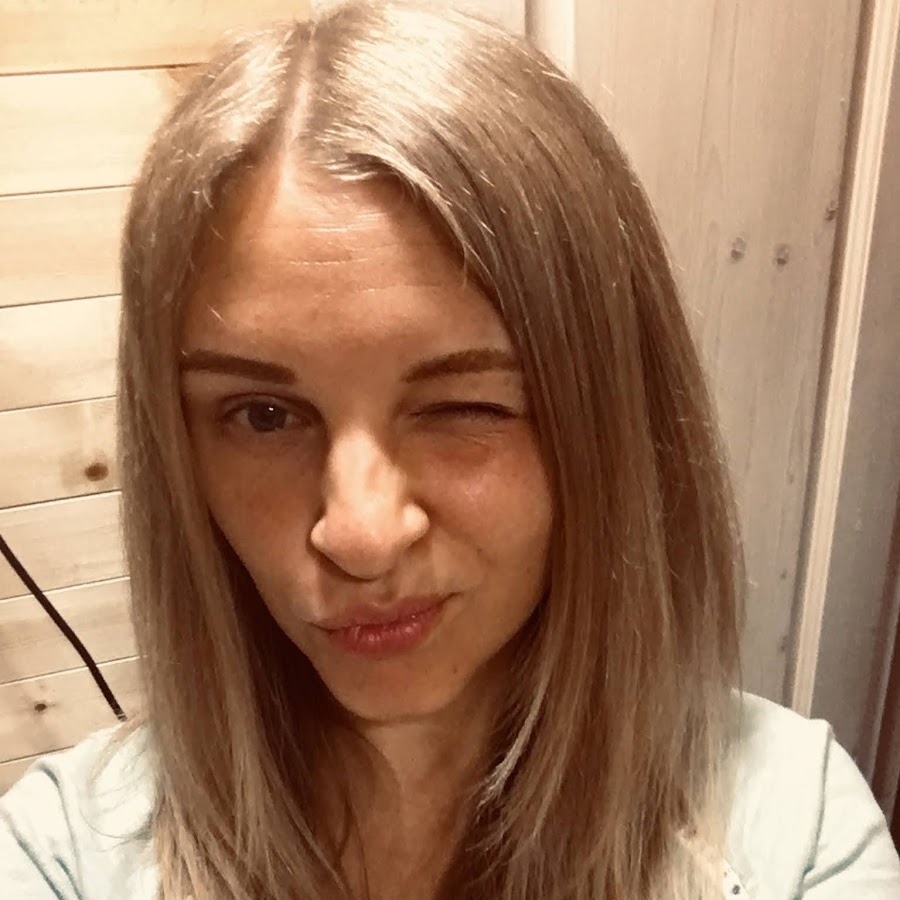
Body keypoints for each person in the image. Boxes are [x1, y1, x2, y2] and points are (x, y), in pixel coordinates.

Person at [2, 2, 899, 898]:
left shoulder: (796, 833)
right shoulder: (66, 850)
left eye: (465, 406)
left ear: (609, 427)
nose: (361, 536)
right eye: (264, 416)